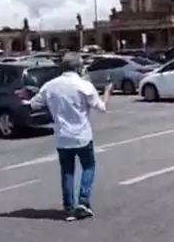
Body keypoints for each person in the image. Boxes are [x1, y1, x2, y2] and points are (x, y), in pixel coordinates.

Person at [29, 53, 112, 221]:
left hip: (62, 136)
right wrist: (107, 92)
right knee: (88, 166)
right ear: (78, 68)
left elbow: (34, 104)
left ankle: (69, 209)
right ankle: (83, 202)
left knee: (67, 172)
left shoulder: (50, 86)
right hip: (82, 135)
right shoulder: (84, 85)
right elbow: (101, 108)